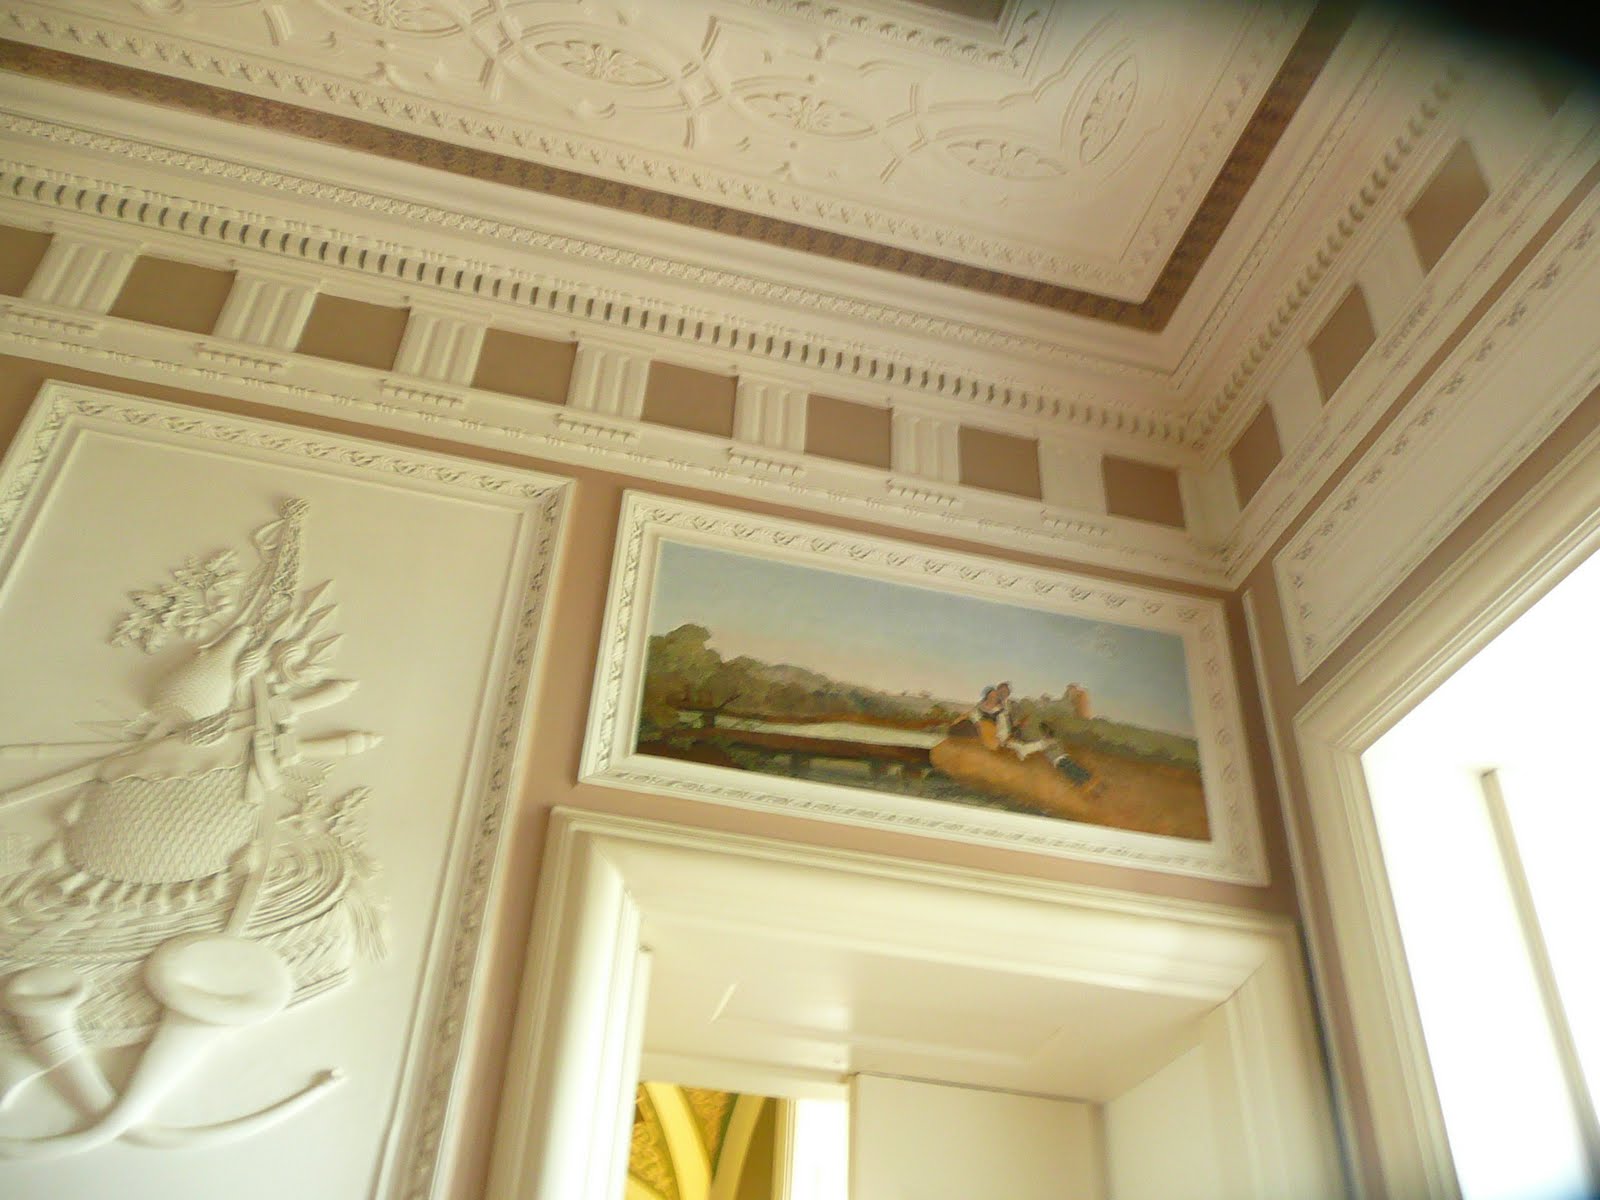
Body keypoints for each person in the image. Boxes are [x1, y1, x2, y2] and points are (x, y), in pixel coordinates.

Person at [962, 682, 1094, 786]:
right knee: (1043, 742)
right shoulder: (980, 711)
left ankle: (1078, 774)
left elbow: (1019, 716)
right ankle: (1076, 775)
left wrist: (1022, 719)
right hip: (1012, 738)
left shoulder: (1009, 706)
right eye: (998, 692)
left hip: (1022, 727)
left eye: (1005, 692)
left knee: (1033, 711)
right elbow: (991, 731)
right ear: (989, 696)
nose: (1000, 695)